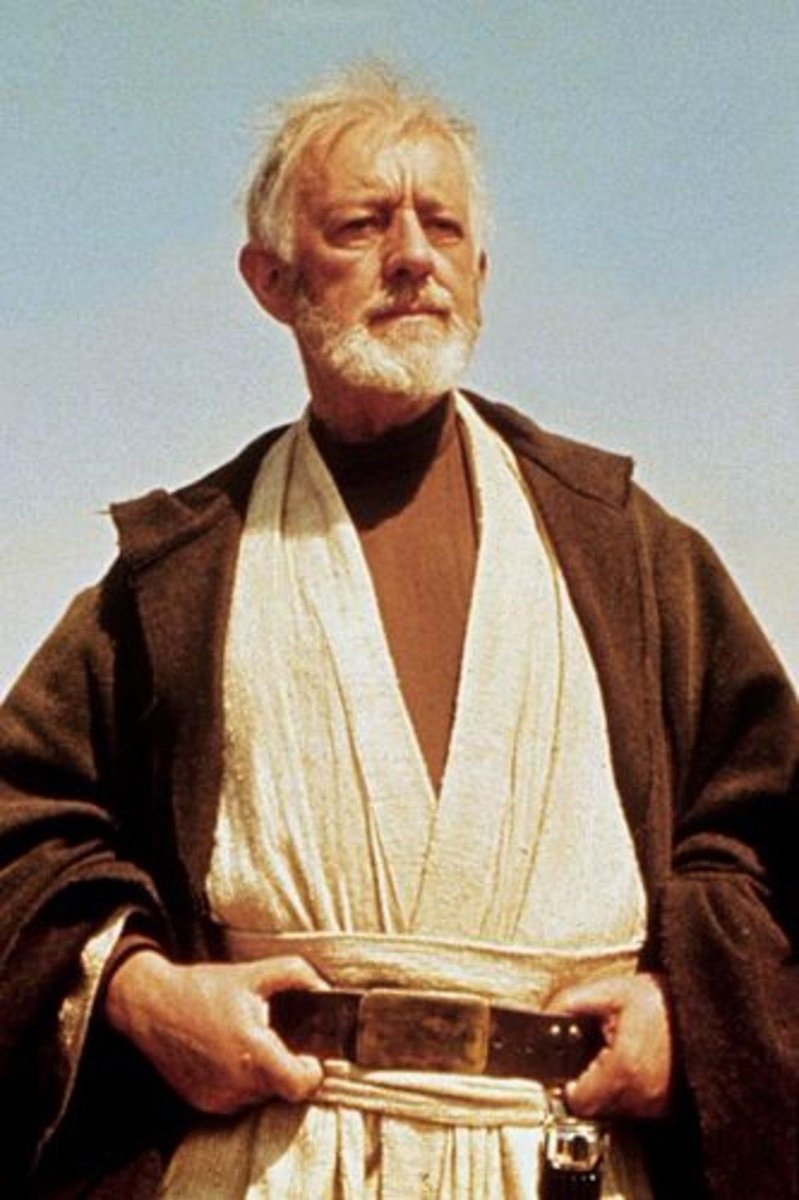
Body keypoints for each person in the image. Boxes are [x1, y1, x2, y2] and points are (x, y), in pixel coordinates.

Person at [0, 63, 796, 1200]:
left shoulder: (622, 547)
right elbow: (19, 827)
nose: (413, 255)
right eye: (362, 225)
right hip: (273, 1165)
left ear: (481, 273)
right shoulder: (184, 570)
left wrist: (691, 1018)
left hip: (562, 1158)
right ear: (272, 280)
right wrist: (140, 991)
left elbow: (764, 826)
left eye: (443, 226)